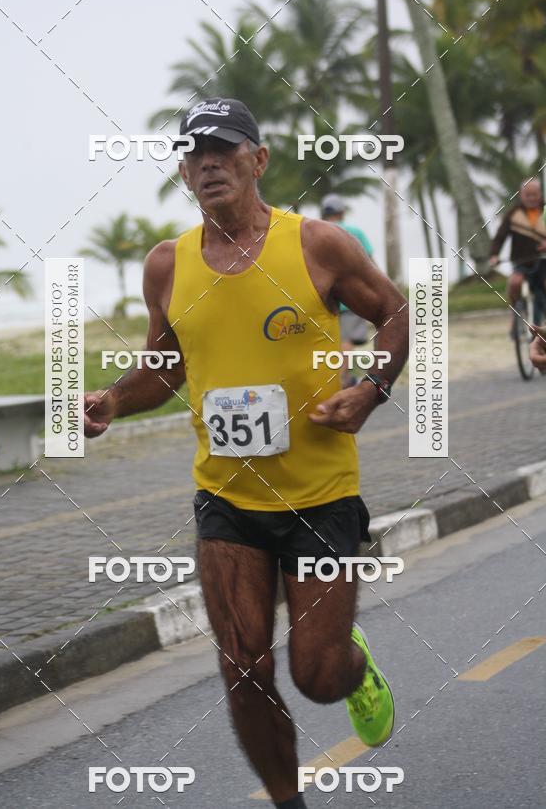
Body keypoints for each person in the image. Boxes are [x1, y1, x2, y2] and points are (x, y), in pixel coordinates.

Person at [84, 98, 409, 809]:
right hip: (227, 499)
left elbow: (399, 312)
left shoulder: (317, 245)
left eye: (223, 149)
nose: (207, 163)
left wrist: (371, 388)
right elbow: (165, 367)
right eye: (194, 153)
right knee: (243, 667)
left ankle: (356, 671)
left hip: (321, 495)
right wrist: (112, 399)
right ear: (182, 171)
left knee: (316, 672)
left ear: (258, 160)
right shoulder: (167, 266)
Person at [320, 194, 374, 387]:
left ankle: (333, 380)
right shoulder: (354, 232)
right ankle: (342, 381)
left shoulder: (316, 232)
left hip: (322, 298)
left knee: (329, 342)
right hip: (350, 298)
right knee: (346, 341)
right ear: (342, 211)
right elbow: (370, 266)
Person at [489, 178, 546, 331]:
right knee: (515, 283)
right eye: (528, 195)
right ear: (521, 195)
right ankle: (516, 311)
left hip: (543, 262)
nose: (532, 198)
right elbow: (500, 236)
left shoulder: (544, 210)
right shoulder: (513, 214)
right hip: (521, 262)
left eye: (535, 195)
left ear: (540, 194)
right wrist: (494, 255)